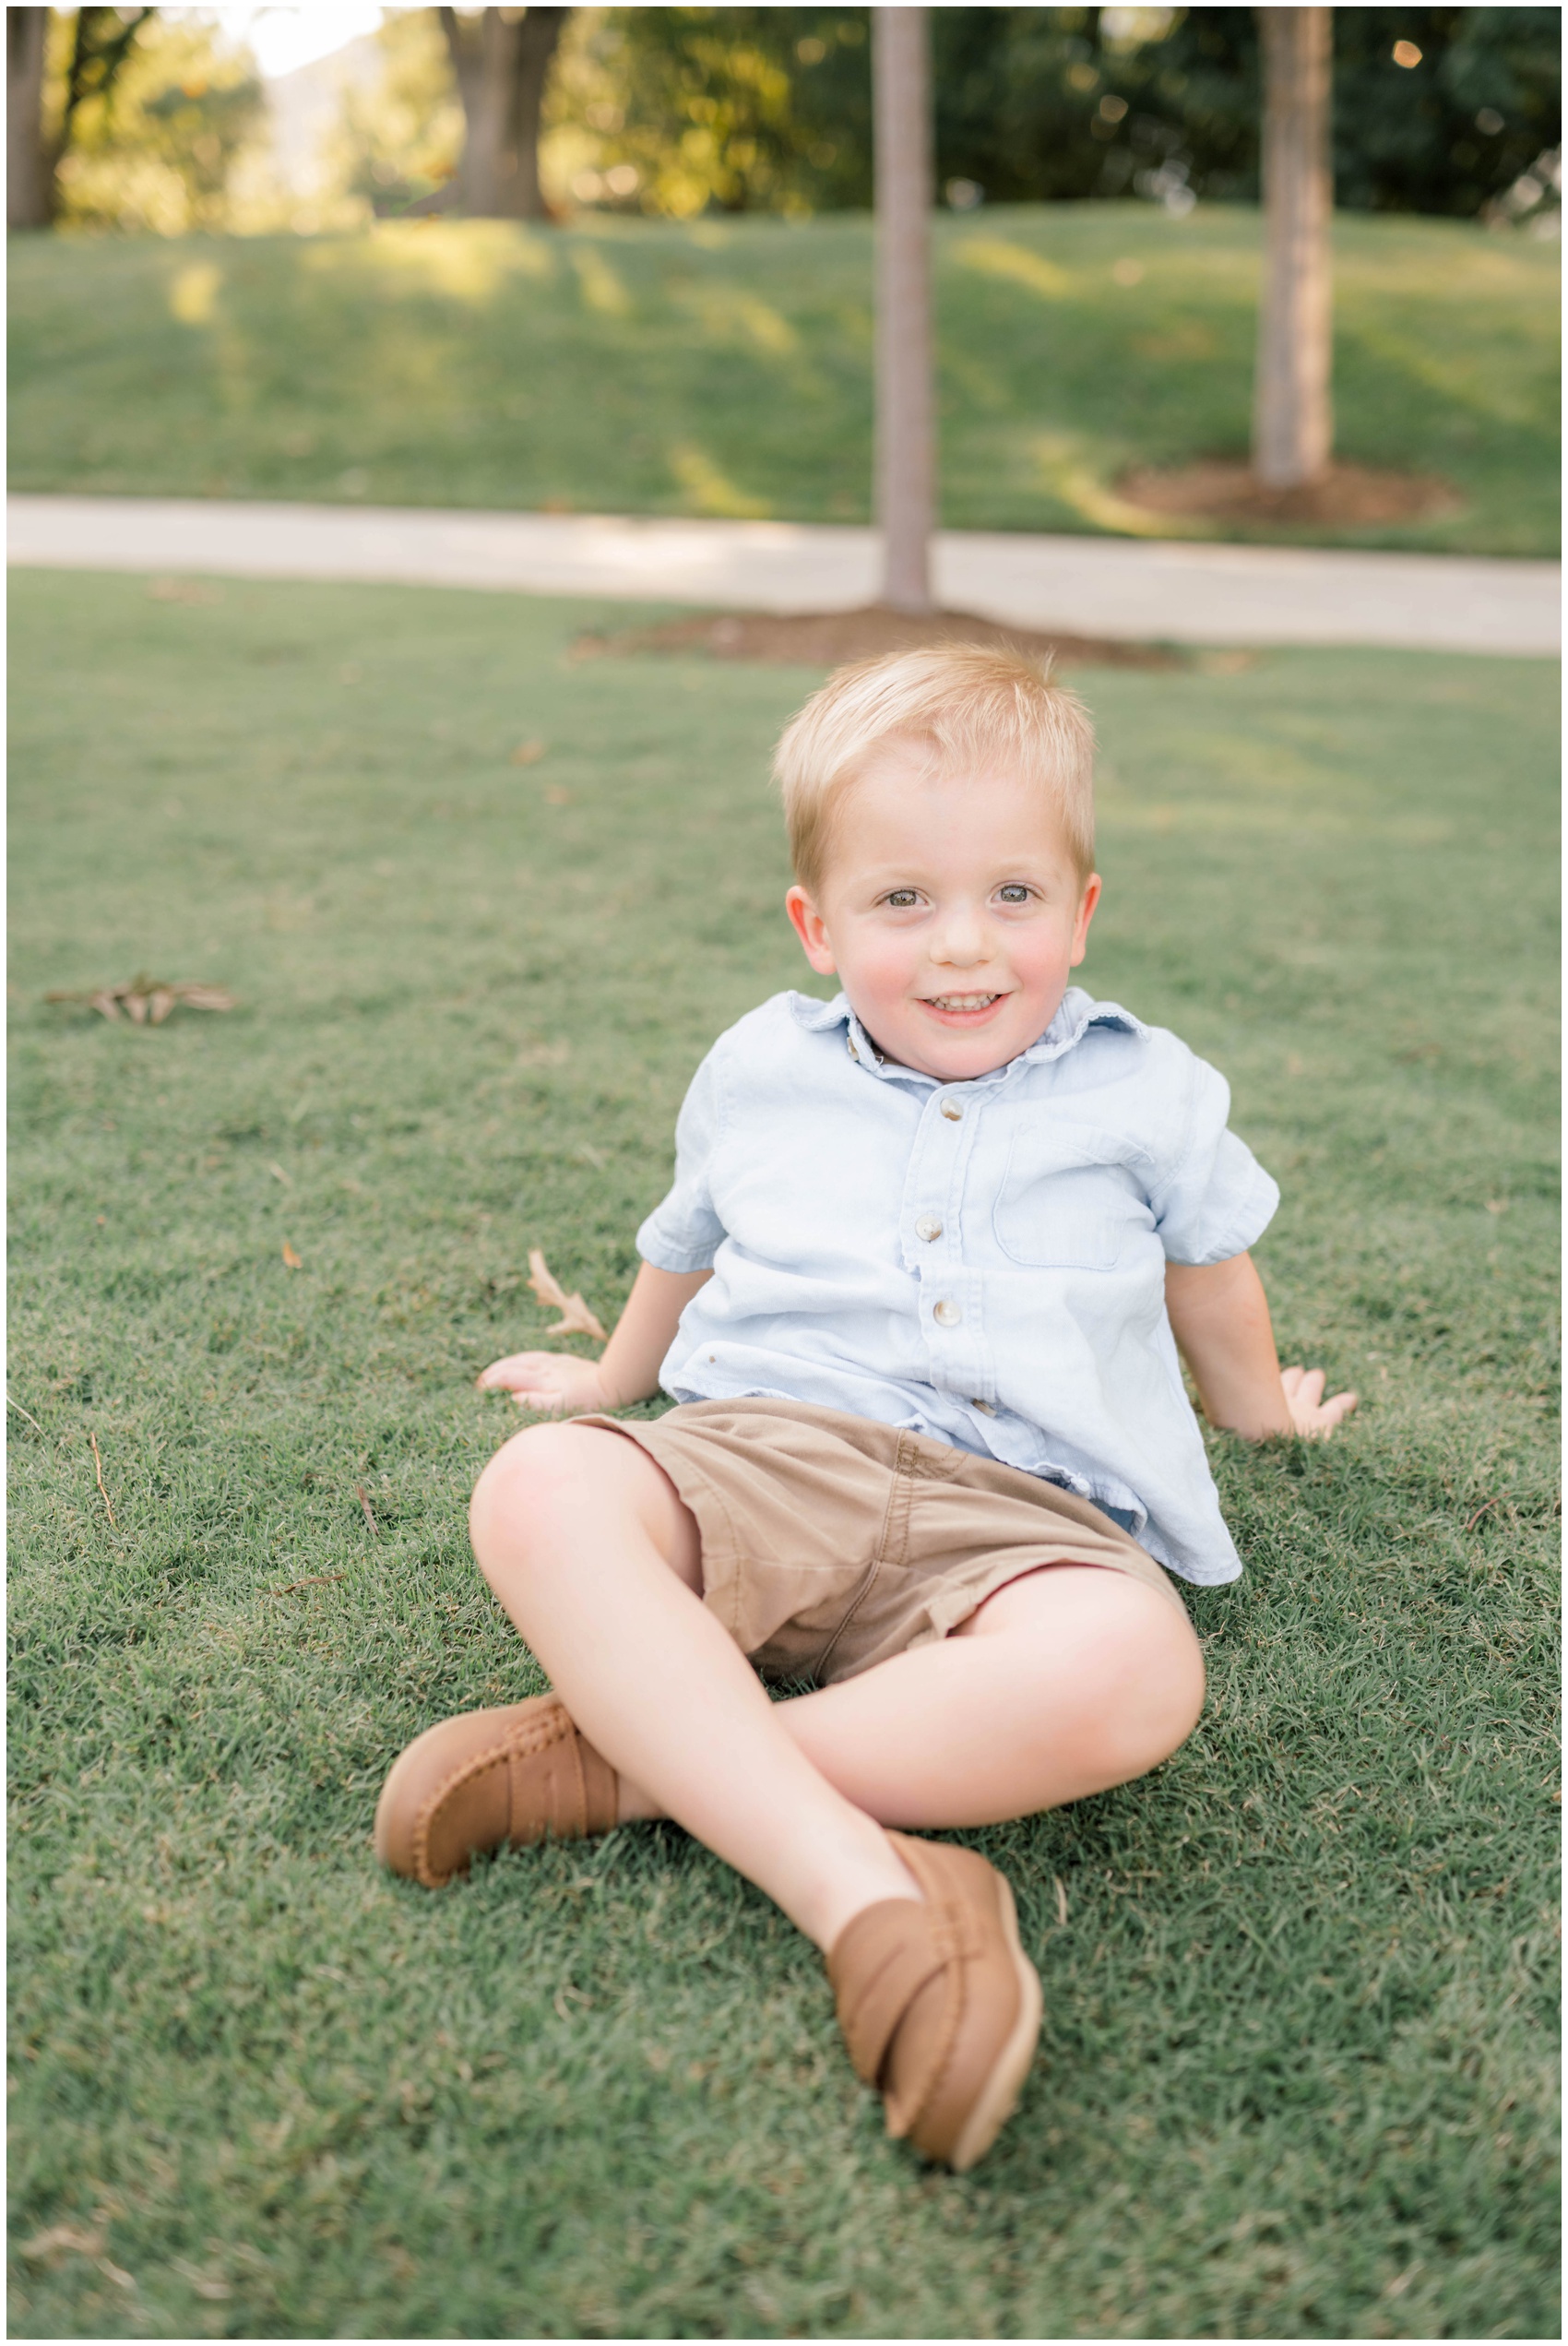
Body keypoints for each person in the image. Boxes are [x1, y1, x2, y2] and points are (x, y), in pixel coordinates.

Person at [374, 644, 1357, 2173]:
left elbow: (1212, 1275)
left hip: (1026, 1519)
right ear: (817, 927)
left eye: (1015, 897)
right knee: (544, 1488)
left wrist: (1264, 1421)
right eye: (904, 901)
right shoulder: (760, 1070)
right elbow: (682, 1246)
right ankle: (869, 1897)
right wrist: (609, 1384)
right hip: (767, 1455)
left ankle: (633, 1763)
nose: (965, 947)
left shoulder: (1147, 1089)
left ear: (1082, 910)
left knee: (1138, 1674)